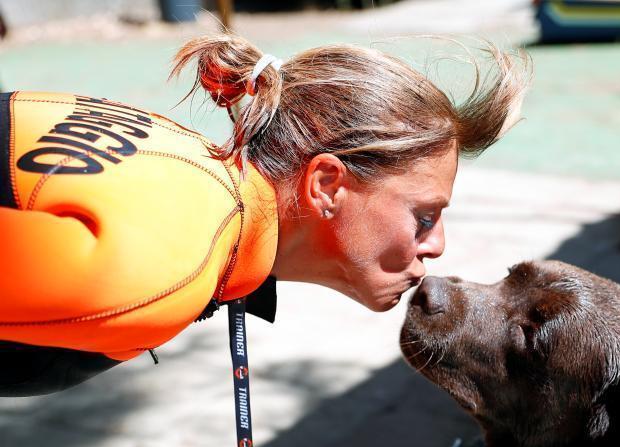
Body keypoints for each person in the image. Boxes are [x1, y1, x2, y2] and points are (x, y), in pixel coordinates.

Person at [0, 34, 530, 396]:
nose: (436, 245)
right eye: (423, 216)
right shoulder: (160, 270)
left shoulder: (188, 173)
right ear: (326, 185)